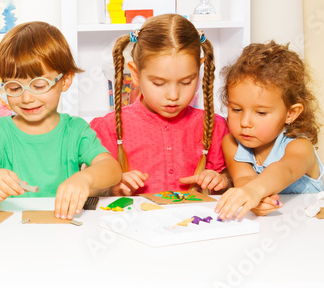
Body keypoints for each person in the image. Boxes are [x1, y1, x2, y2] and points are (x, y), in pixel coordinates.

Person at [0, 21, 121, 218]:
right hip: (12, 230)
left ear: (66, 80)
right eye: (15, 88)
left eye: (39, 85)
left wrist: (85, 179)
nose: (27, 98)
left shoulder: (76, 130)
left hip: (63, 226)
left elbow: (112, 169)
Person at [91, 14, 230, 195]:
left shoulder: (214, 127)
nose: (173, 95)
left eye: (186, 82)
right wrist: (113, 186)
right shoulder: (109, 128)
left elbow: (232, 177)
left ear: (199, 71)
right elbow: (91, 189)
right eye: (158, 83)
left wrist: (222, 180)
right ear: (135, 74)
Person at [215, 41, 324, 220]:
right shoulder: (232, 143)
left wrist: (255, 191)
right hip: (264, 231)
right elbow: (244, 178)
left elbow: (285, 169)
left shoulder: (300, 146)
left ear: (291, 113)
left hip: (309, 228)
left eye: (261, 112)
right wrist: (253, 199)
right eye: (236, 109)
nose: (245, 122)